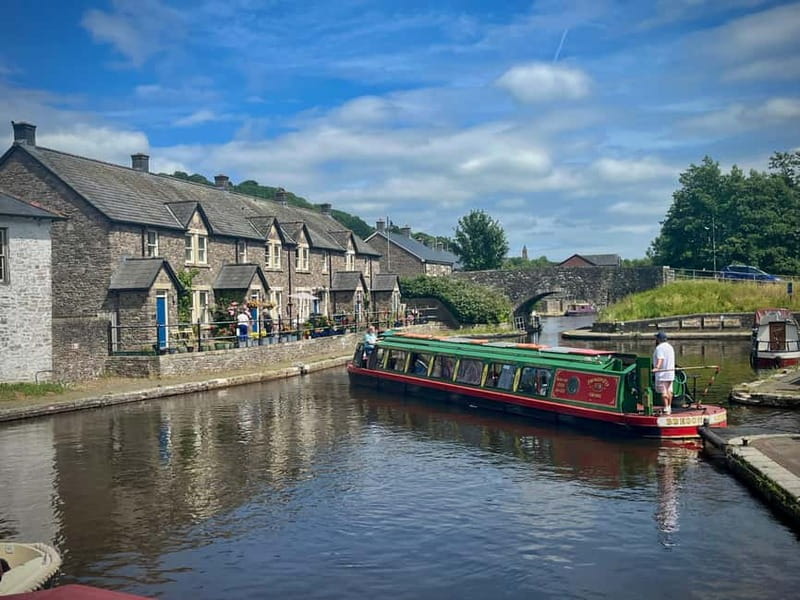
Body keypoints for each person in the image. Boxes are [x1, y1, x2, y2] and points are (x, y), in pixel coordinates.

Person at [652, 331, 675, 415]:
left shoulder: (659, 348)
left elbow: (660, 359)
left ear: (658, 339)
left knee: (664, 391)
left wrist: (656, 368)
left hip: (662, 373)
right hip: (671, 372)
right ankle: (669, 407)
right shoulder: (670, 347)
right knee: (669, 390)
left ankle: (666, 408)